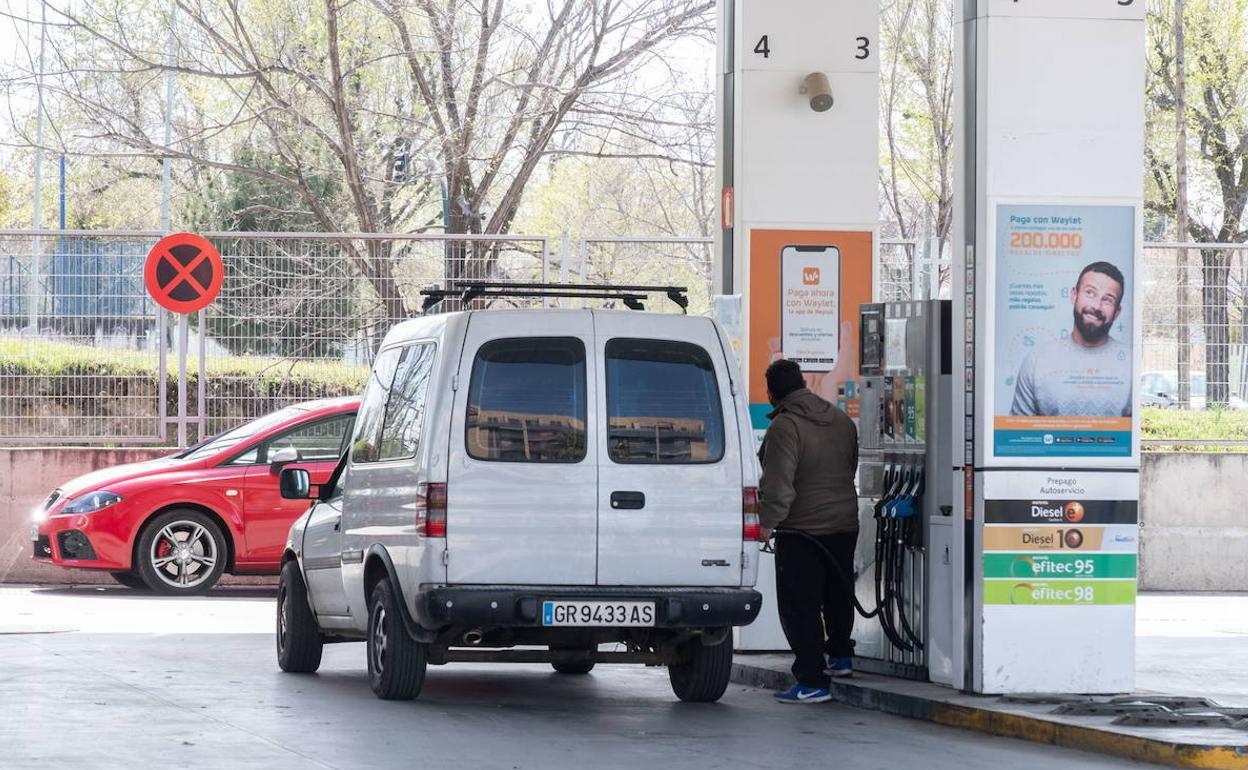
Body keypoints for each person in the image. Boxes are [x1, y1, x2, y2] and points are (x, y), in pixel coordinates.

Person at [758, 359, 860, 704]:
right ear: (803, 382)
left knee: (800, 604)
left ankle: (812, 679)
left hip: (802, 529)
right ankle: (841, 657)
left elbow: (778, 485)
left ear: (771, 392)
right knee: (838, 592)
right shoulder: (841, 420)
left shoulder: (785, 427)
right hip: (845, 523)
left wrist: (767, 524)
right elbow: (850, 467)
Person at [1010, 261, 1132, 418]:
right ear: (1074, 295)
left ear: (1116, 312)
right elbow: (1018, 434)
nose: (1096, 306)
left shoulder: (1130, 363)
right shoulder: (1037, 361)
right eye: (1090, 293)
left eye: (1107, 299)